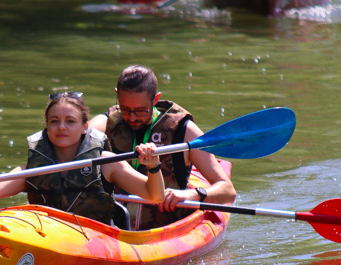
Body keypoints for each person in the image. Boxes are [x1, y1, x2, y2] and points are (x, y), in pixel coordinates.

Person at [0, 91, 165, 226]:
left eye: (70, 121)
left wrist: (153, 167)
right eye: (54, 121)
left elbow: (154, 196)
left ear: (85, 127)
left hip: (97, 239)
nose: (61, 127)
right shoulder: (31, 169)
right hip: (48, 237)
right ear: (47, 126)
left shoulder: (107, 162)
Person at [88, 65, 236, 230]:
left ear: (156, 99)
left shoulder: (184, 131)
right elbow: (76, 139)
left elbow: (228, 190)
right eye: (125, 109)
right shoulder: (105, 123)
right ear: (117, 95)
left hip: (168, 228)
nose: (132, 117)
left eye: (141, 110)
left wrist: (193, 194)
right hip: (113, 228)